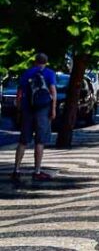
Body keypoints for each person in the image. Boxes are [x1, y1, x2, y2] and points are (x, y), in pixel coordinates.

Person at [12, 53, 58, 182]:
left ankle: (16, 170)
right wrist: (53, 109)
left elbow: (19, 92)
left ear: (35, 61)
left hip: (28, 109)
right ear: (46, 62)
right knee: (40, 141)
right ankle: (37, 171)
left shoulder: (27, 73)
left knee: (23, 141)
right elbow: (53, 92)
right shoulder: (49, 73)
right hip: (43, 110)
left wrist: (19, 108)